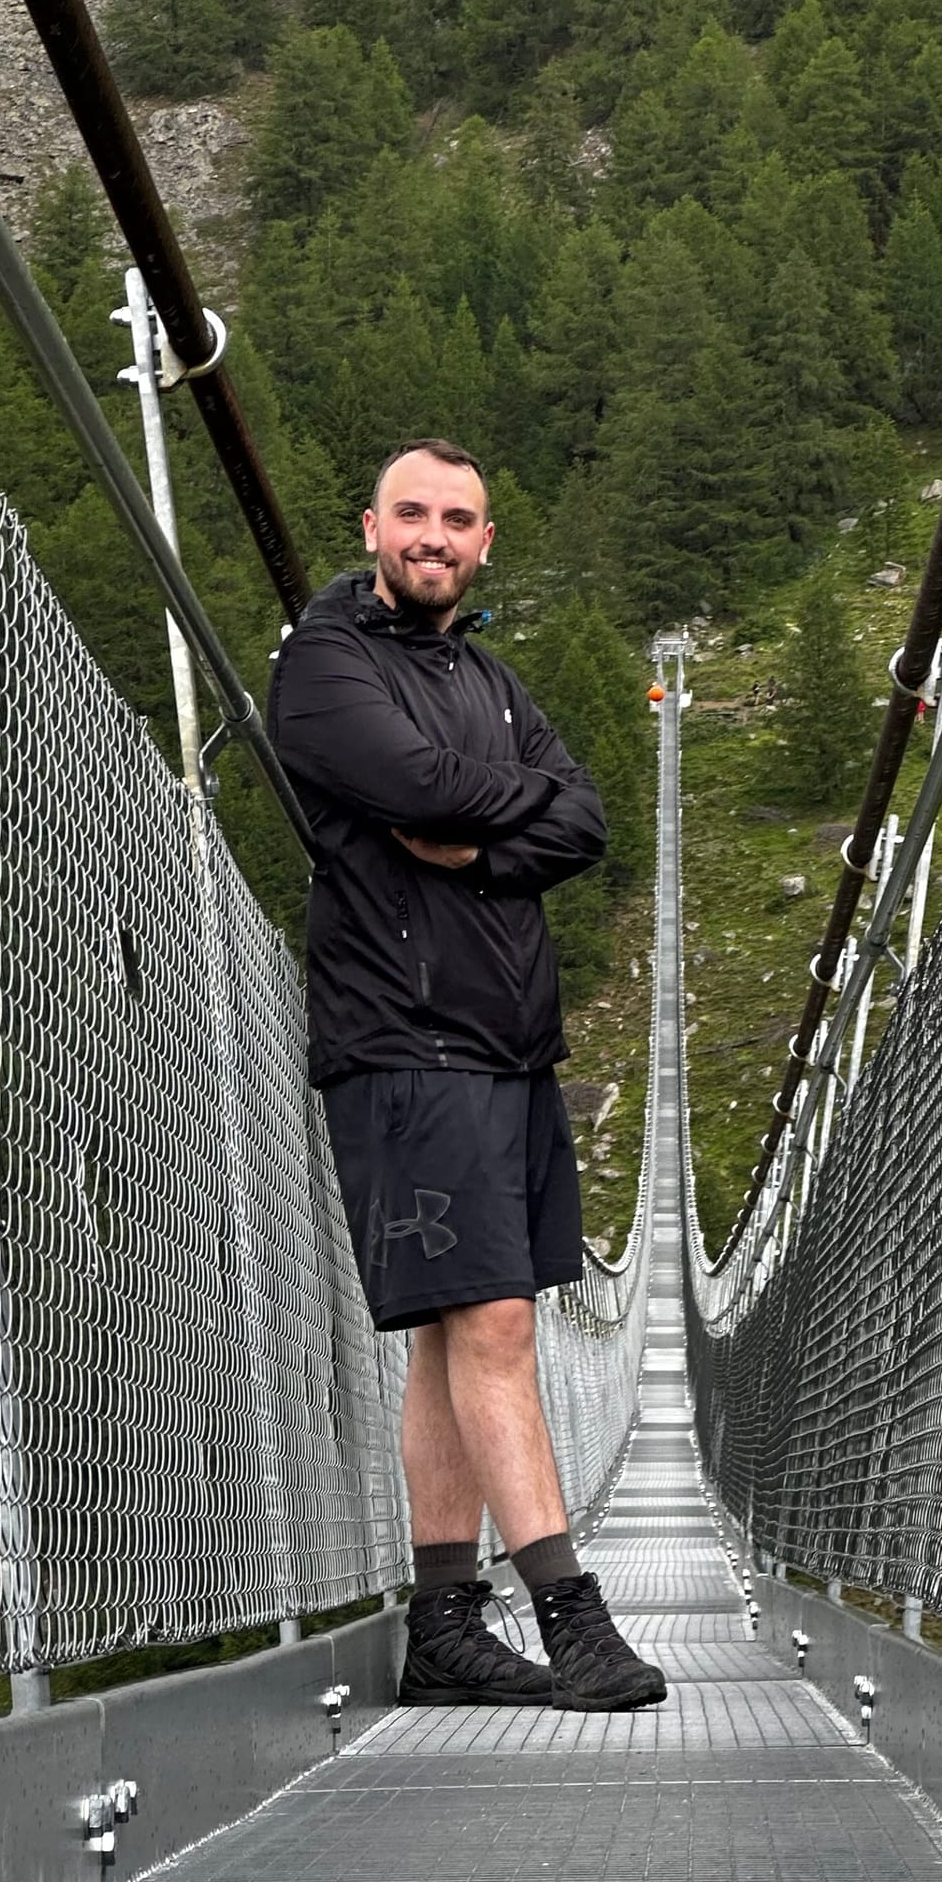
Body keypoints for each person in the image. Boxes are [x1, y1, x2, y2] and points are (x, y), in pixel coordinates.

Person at [268, 438, 665, 1713]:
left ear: (485, 543)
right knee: (491, 1323)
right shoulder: (325, 663)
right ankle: (570, 1616)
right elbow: (406, 781)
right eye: (413, 515)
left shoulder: (487, 679)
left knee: (458, 1334)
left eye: (460, 519)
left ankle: (442, 1620)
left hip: (505, 1046)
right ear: (370, 525)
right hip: (401, 1037)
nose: (435, 536)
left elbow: (583, 818)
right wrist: (518, 803)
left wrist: (482, 843)